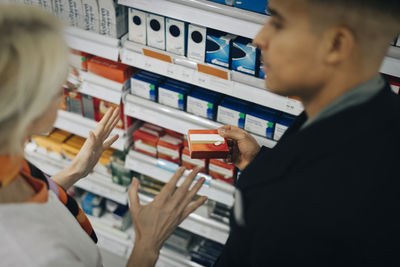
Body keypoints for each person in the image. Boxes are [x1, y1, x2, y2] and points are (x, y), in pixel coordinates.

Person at [0, 4, 207, 267]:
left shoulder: (8, 161)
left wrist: (76, 169)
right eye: (60, 82)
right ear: (29, 104)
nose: (68, 90)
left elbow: (33, 199)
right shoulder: (31, 255)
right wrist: (147, 244)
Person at [213, 0, 400, 266]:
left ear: (336, 44)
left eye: (277, 22)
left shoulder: (300, 212)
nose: (258, 40)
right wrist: (258, 163)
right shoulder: (370, 112)